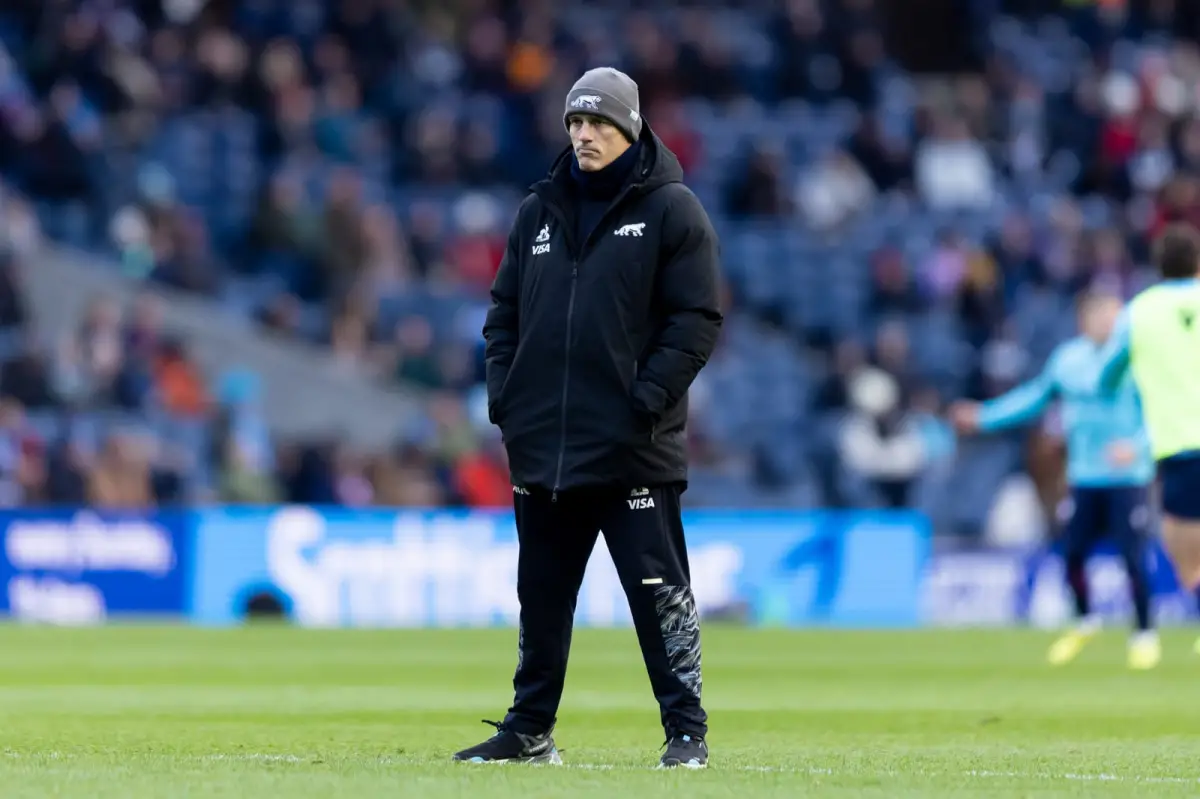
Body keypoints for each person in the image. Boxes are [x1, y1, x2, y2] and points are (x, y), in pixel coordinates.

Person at [455, 67, 722, 768]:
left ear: (630, 128)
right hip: (544, 446)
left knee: (658, 595)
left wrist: (644, 403)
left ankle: (686, 733)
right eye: (575, 122)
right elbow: (502, 316)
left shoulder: (673, 211)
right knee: (541, 597)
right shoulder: (536, 212)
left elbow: (696, 322)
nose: (584, 134)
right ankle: (528, 729)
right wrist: (505, 401)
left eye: (599, 122)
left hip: (633, 446)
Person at [950, 291, 1159, 670]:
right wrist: (984, 416)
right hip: (1084, 476)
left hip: (1128, 476)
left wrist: (1140, 447)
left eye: (1114, 316)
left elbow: (1164, 409)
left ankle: (1144, 634)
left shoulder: (1134, 362)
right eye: (1101, 316)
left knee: (1132, 555)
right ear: (1084, 320)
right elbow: (1034, 397)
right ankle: (1085, 620)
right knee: (1072, 552)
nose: (1109, 324)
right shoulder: (1068, 360)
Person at [1096, 223, 1200, 654]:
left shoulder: (1138, 312)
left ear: (1157, 266)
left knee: (1188, 560)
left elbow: (1108, 374)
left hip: (1179, 445)